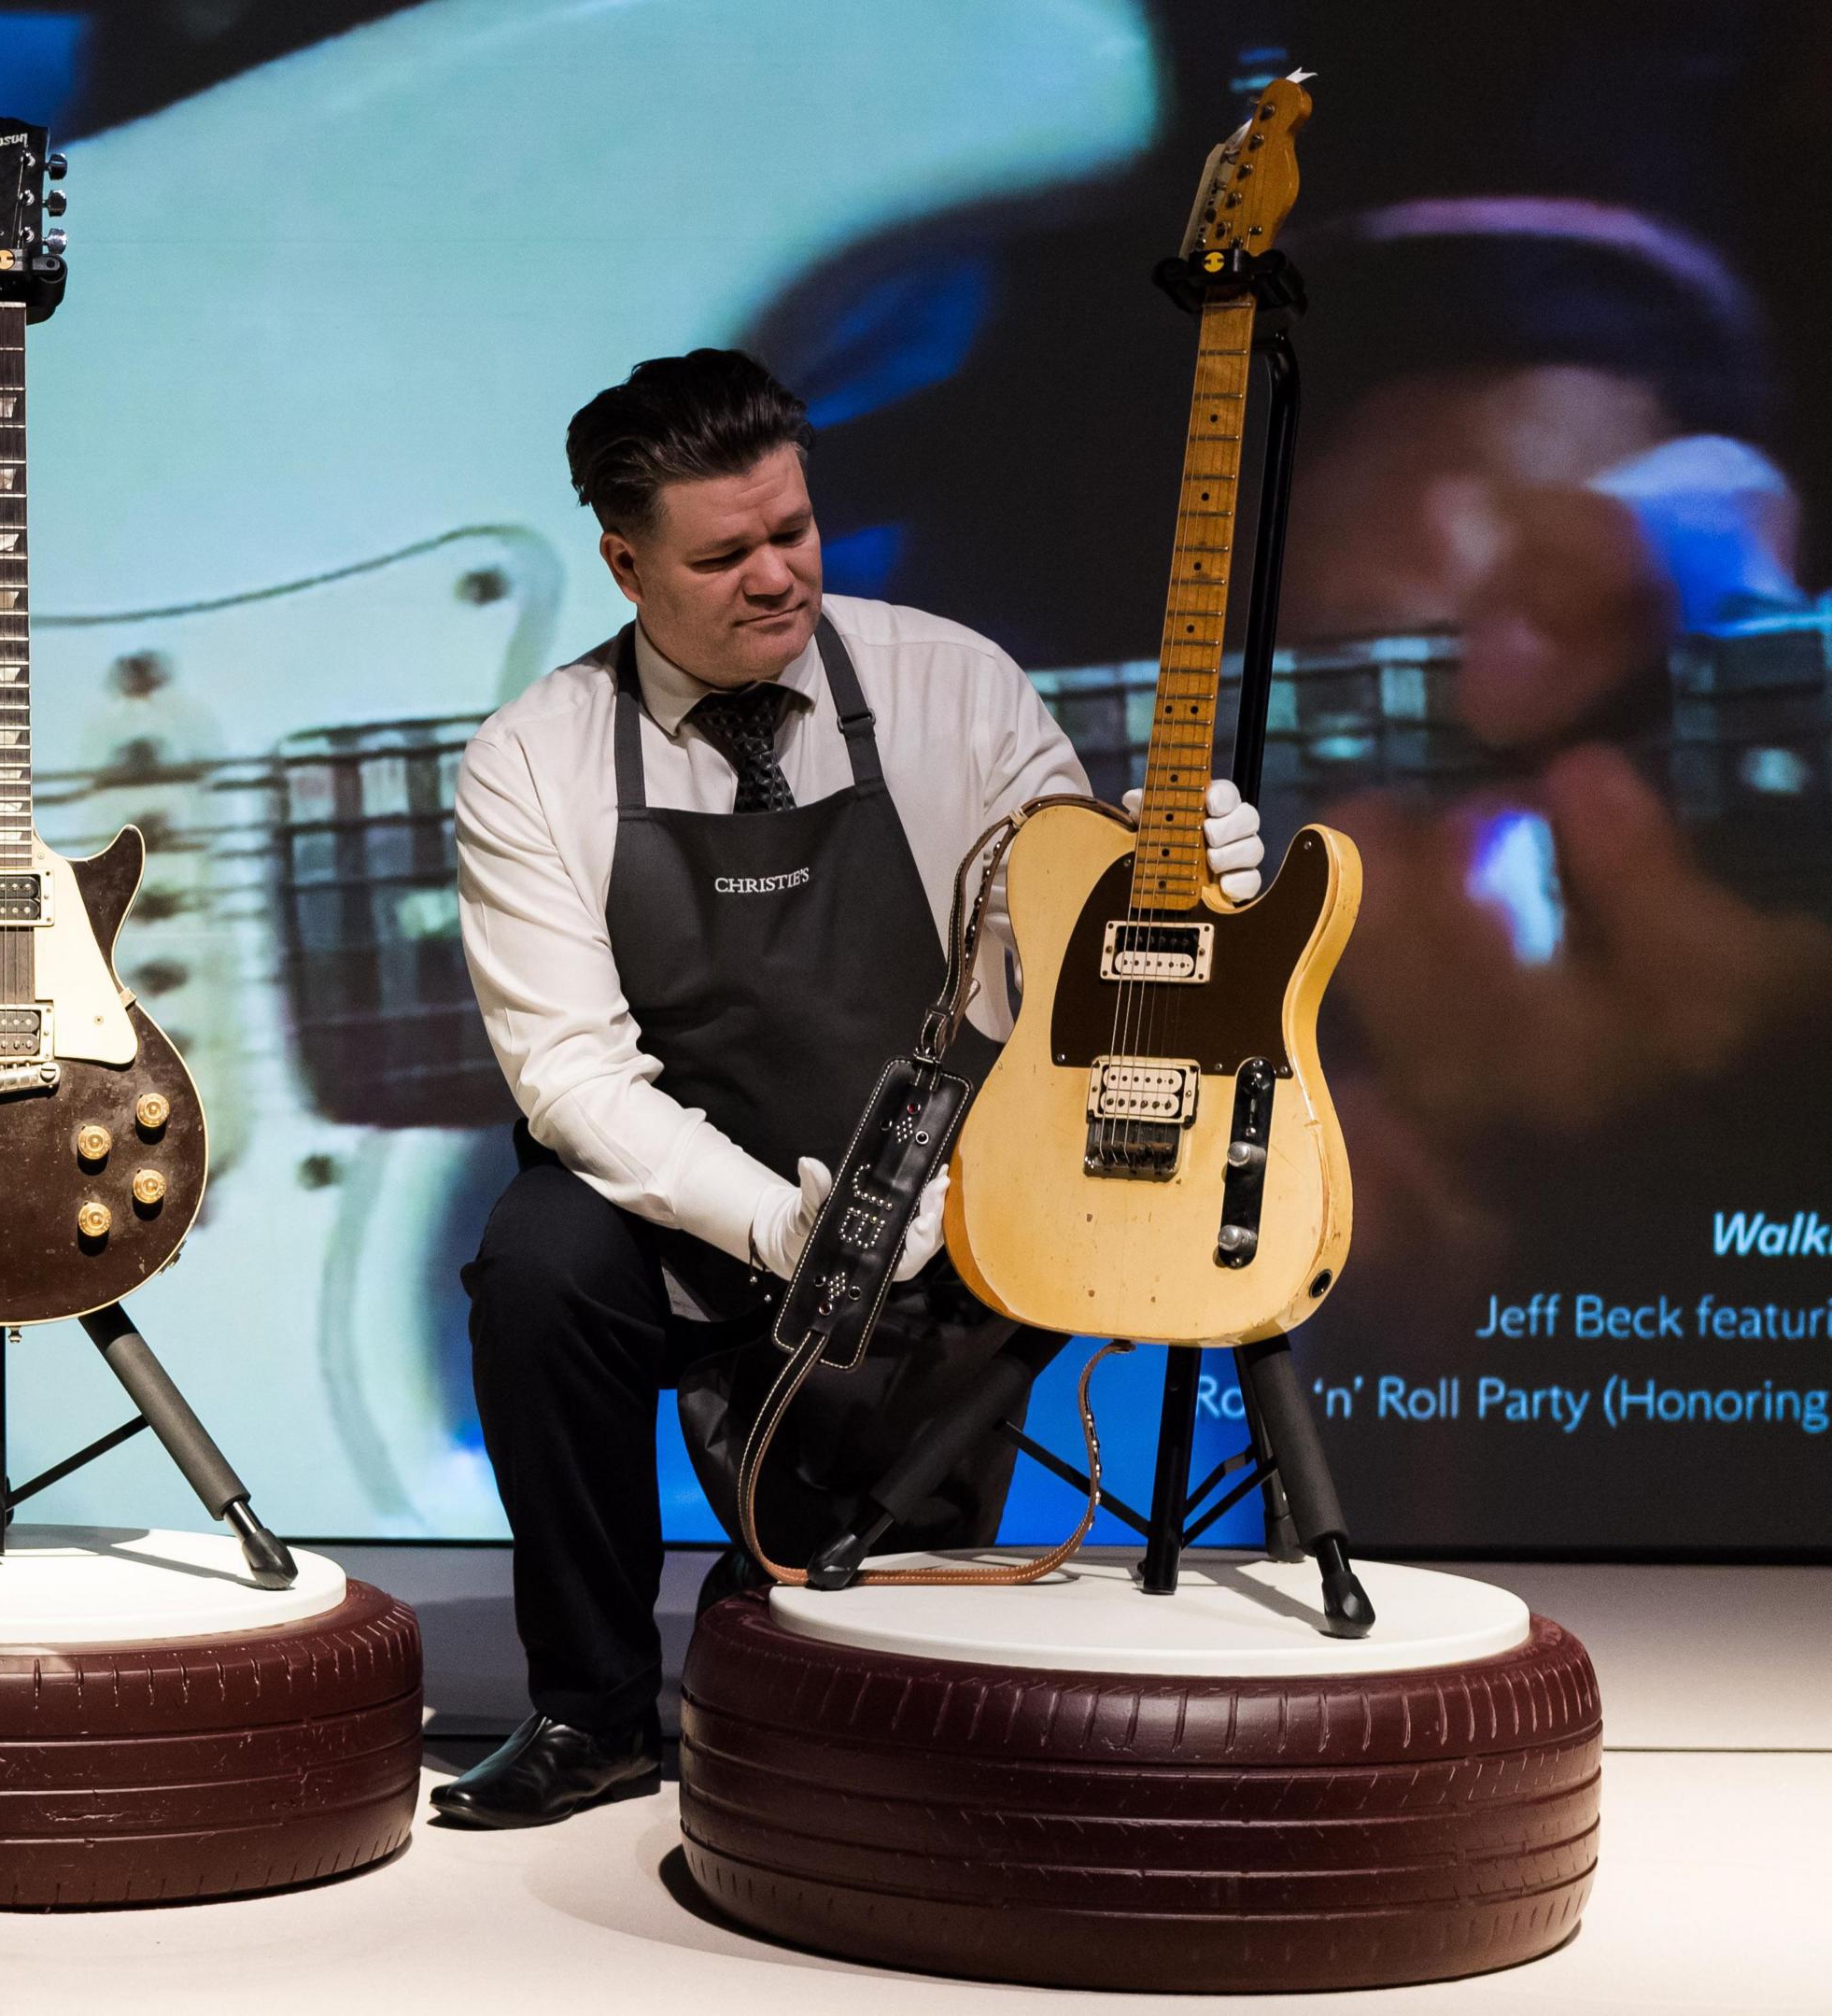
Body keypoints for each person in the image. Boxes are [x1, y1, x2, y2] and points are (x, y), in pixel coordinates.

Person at [437, 350, 1270, 1826]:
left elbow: (1077, 963)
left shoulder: (952, 681)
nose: (777, 577)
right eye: (724, 553)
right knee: (536, 1264)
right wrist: (782, 1229)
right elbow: (569, 1072)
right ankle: (593, 1708)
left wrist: (1184, 882)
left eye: (794, 532)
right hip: (690, 1213)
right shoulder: (534, 758)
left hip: (932, 1199)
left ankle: (835, 1658)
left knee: (845, 1659)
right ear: (625, 563)